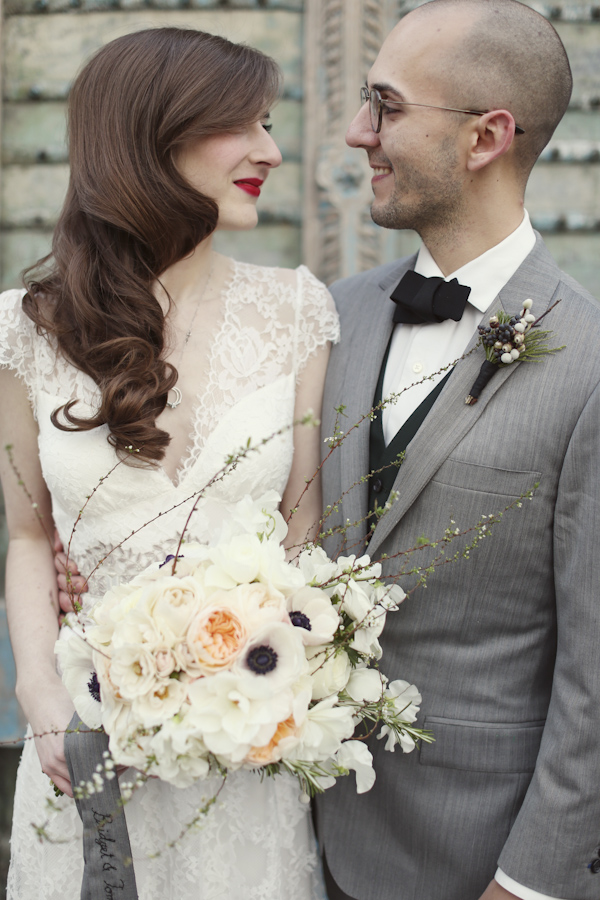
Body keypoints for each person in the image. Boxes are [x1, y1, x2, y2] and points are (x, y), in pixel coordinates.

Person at [0, 27, 338, 900]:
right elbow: (30, 534)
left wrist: (280, 689)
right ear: (149, 137)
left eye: (270, 124)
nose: (269, 150)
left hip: (248, 744)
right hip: (87, 736)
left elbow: (305, 541)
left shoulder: (300, 311)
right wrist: (41, 698)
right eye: (242, 125)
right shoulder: (22, 331)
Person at [317, 2, 600, 900]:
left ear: (486, 138)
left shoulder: (592, 362)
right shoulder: (327, 315)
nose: (358, 133)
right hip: (292, 843)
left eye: (387, 107)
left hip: (477, 861)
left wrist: (529, 885)